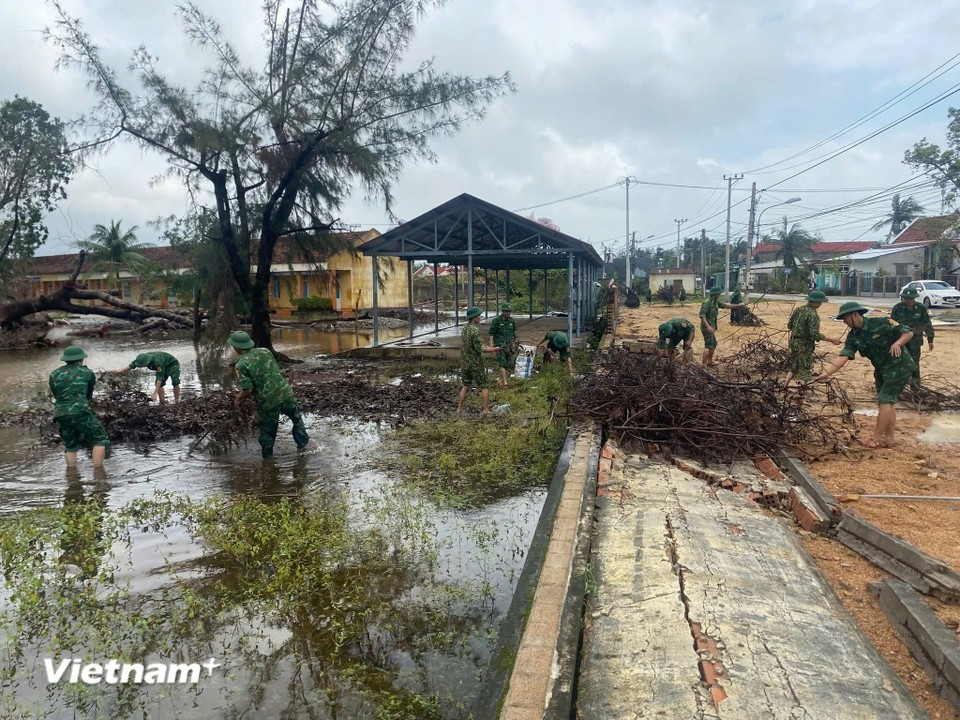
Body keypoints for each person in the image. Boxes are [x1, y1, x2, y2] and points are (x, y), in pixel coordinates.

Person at [815, 301, 915, 449]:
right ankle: (889, 439)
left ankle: (875, 439)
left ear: (855, 315)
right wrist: (826, 373)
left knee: (885, 400)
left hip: (900, 366)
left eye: (846, 319)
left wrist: (897, 344)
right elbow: (844, 356)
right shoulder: (854, 336)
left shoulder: (882, 322)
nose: (845, 322)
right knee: (888, 402)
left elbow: (908, 332)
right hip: (882, 369)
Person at [229, 330, 309, 458]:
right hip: (285, 392)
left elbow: (247, 390)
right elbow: (273, 369)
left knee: (268, 430)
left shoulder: (241, 364)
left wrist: (238, 399)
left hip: (268, 401)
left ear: (237, 347)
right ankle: (303, 448)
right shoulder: (265, 351)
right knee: (296, 419)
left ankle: (268, 460)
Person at [49, 345, 109, 468]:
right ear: (81, 359)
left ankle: (71, 475)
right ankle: (98, 473)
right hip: (81, 411)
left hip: (60, 414)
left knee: (70, 445)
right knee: (99, 439)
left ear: (65, 359)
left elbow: (57, 395)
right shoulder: (87, 372)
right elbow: (88, 394)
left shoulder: (54, 374)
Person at [785, 290, 841, 383]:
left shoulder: (798, 310)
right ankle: (802, 390)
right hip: (804, 346)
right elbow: (814, 335)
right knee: (804, 369)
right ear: (816, 302)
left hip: (793, 342)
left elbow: (789, 326)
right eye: (820, 302)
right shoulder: (813, 315)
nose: (821, 304)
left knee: (793, 365)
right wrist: (832, 340)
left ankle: (785, 385)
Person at [457, 307, 499, 414]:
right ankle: (486, 410)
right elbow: (480, 348)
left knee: (465, 385)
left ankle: (459, 409)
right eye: (478, 316)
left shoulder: (465, 329)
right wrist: (493, 349)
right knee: (484, 385)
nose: (480, 317)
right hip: (475, 363)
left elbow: (473, 345)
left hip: (465, 362)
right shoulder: (474, 330)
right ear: (474, 317)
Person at [890, 287, 934, 387]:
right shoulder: (897, 307)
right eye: (906, 298)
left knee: (914, 363)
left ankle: (915, 386)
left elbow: (927, 323)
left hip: (915, 341)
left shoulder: (921, 308)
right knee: (898, 362)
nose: (908, 300)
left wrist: (930, 339)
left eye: (911, 298)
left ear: (914, 298)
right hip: (900, 340)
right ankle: (898, 386)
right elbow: (892, 323)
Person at [699, 287, 746, 366]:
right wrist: (708, 327)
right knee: (708, 345)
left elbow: (725, 306)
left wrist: (738, 306)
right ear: (715, 295)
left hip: (711, 326)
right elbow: (702, 315)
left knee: (713, 344)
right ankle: (703, 364)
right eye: (719, 294)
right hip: (707, 327)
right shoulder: (707, 302)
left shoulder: (715, 302)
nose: (720, 296)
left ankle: (710, 361)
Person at [114, 351, 181, 405]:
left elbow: (159, 378)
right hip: (164, 364)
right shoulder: (142, 358)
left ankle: (177, 401)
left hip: (172, 364)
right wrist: (120, 371)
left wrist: (155, 393)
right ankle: (162, 402)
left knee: (175, 381)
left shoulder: (157, 362)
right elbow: (132, 365)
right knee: (159, 385)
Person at [488, 302, 517, 388]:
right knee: (502, 362)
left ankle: (500, 380)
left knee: (507, 363)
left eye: (509, 311)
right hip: (499, 345)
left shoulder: (512, 321)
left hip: (509, 345)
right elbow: (491, 333)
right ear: (502, 311)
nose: (508, 313)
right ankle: (504, 382)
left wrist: (515, 342)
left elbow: (514, 333)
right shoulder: (497, 320)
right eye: (506, 311)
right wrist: (491, 344)